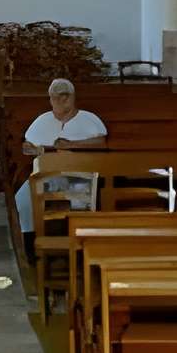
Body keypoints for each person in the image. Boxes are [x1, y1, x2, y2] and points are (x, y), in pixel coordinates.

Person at [14, 77, 107, 255]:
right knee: (23, 200)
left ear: (72, 97)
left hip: (78, 176)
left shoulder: (88, 119)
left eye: (64, 96)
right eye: (55, 97)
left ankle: (83, 250)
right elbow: (27, 145)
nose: (60, 100)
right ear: (50, 99)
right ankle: (30, 247)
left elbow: (101, 143)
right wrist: (35, 149)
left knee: (82, 204)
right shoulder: (42, 120)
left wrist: (72, 145)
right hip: (43, 175)